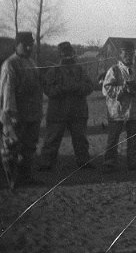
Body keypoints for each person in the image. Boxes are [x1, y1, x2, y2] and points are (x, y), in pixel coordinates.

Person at [39, 41, 95, 171]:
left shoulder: (80, 69)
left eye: (69, 53)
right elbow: (48, 90)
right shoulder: (53, 71)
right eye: (64, 54)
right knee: (52, 139)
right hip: (57, 112)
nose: (67, 56)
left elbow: (90, 87)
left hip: (78, 112)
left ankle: (84, 162)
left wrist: (78, 88)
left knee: (80, 139)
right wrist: (62, 89)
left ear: (73, 54)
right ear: (59, 55)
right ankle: (46, 164)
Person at [0, 32, 43, 188]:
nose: (29, 47)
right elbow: (7, 92)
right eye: (25, 44)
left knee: (29, 149)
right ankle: (12, 181)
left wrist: (38, 112)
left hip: (32, 115)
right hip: (16, 116)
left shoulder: (32, 62)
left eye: (31, 44)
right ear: (16, 45)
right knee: (11, 149)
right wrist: (10, 117)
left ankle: (26, 177)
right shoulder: (10, 64)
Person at [102, 40, 136, 171]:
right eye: (125, 53)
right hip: (117, 112)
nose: (128, 56)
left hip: (133, 112)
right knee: (113, 139)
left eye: (130, 53)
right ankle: (109, 163)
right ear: (120, 55)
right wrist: (123, 89)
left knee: (134, 139)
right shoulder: (114, 70)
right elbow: (106, 89)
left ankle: (133, 162)